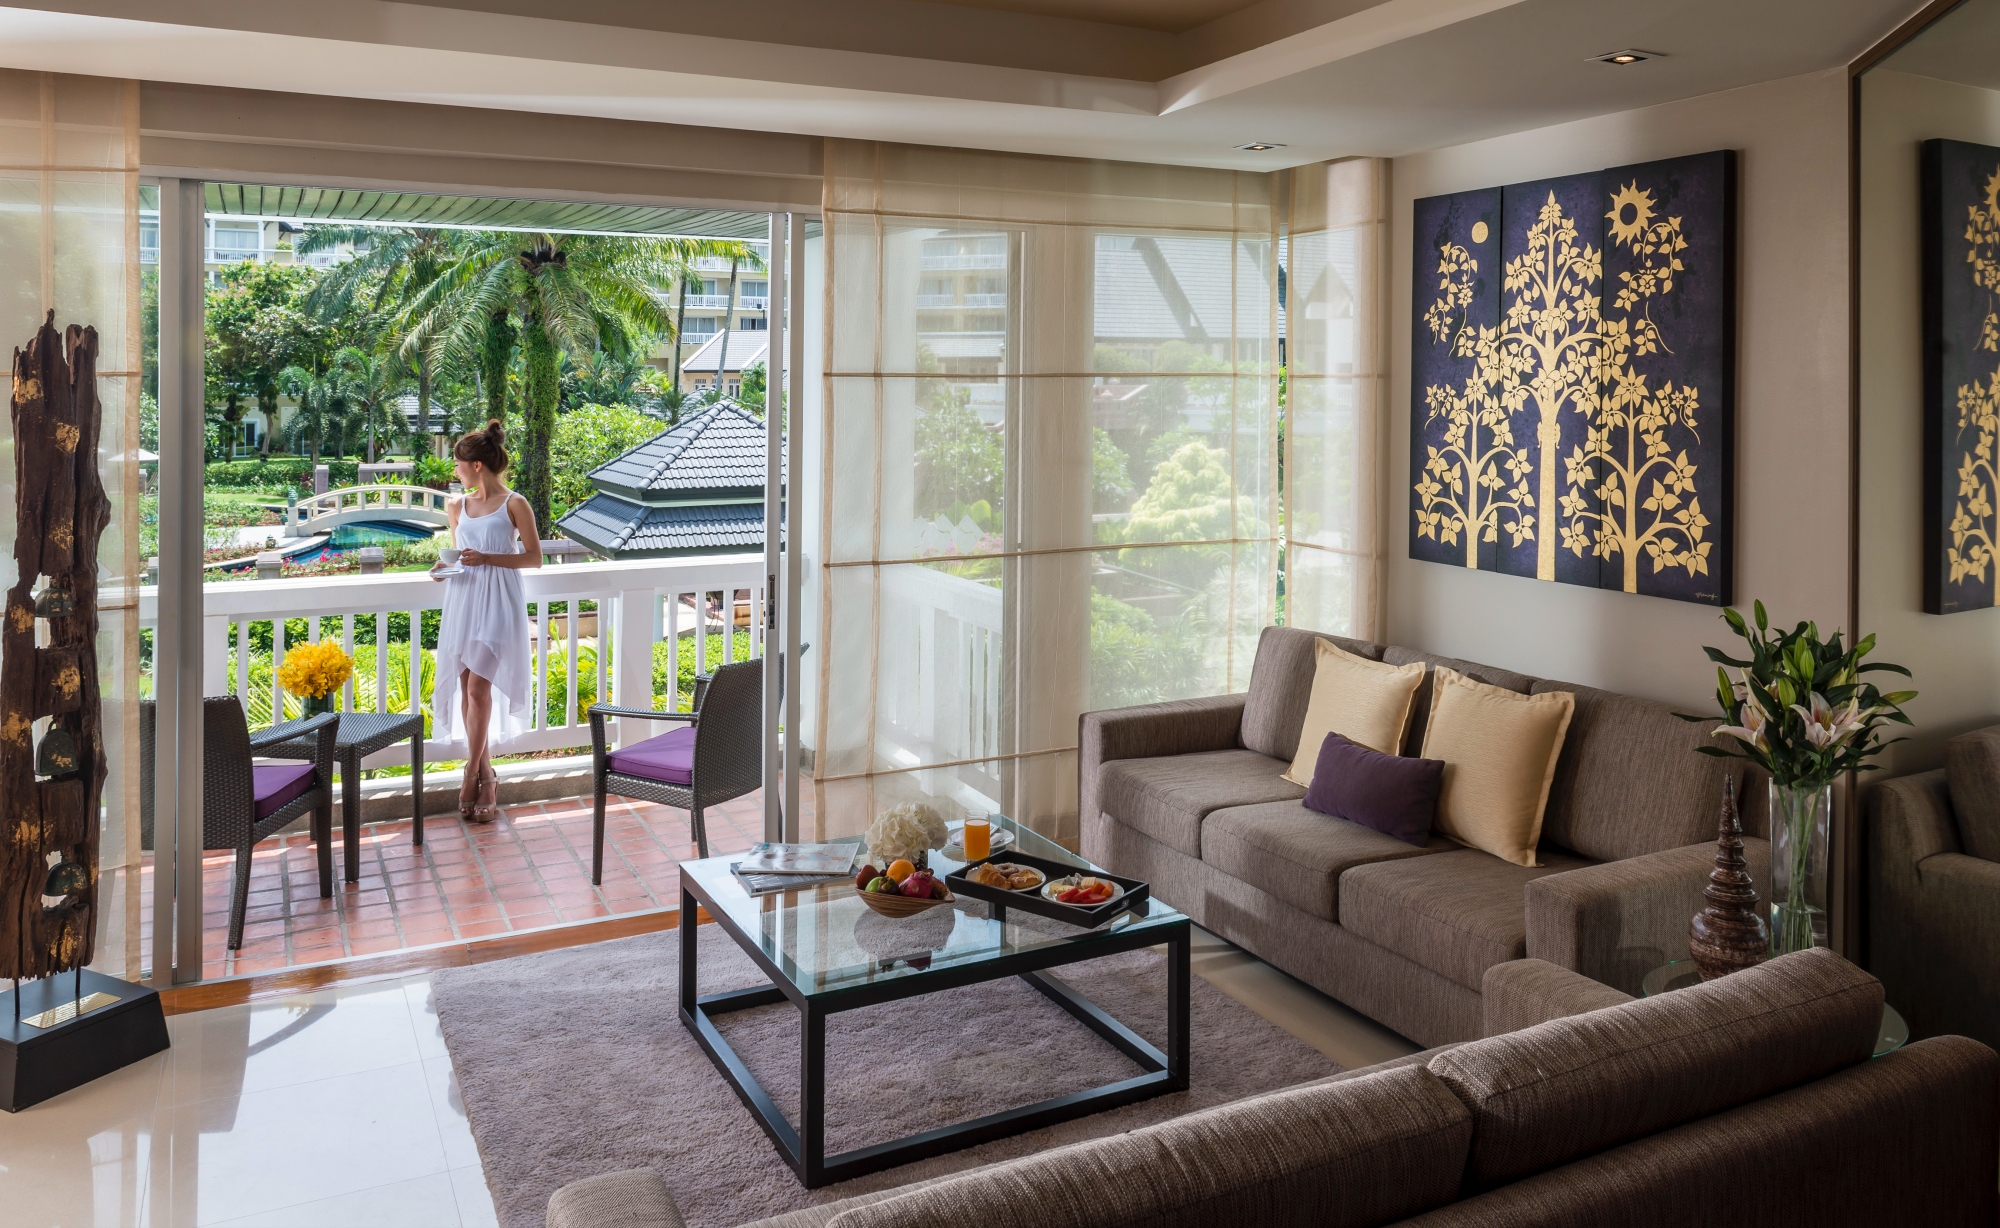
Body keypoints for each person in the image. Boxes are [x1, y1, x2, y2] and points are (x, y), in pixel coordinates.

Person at [431, 420, 540, 822]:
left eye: (458, 463)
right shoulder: (457, 506)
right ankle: (487, 773)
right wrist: (441, 570)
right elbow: (458, 556)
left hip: (498, 600)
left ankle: (470, 775)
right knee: (466, 687)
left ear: (477, 465)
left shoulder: (515, 503)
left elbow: (533, 557)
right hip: (464, 598)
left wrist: (488, 558)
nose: (454, 470)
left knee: (479, 688)